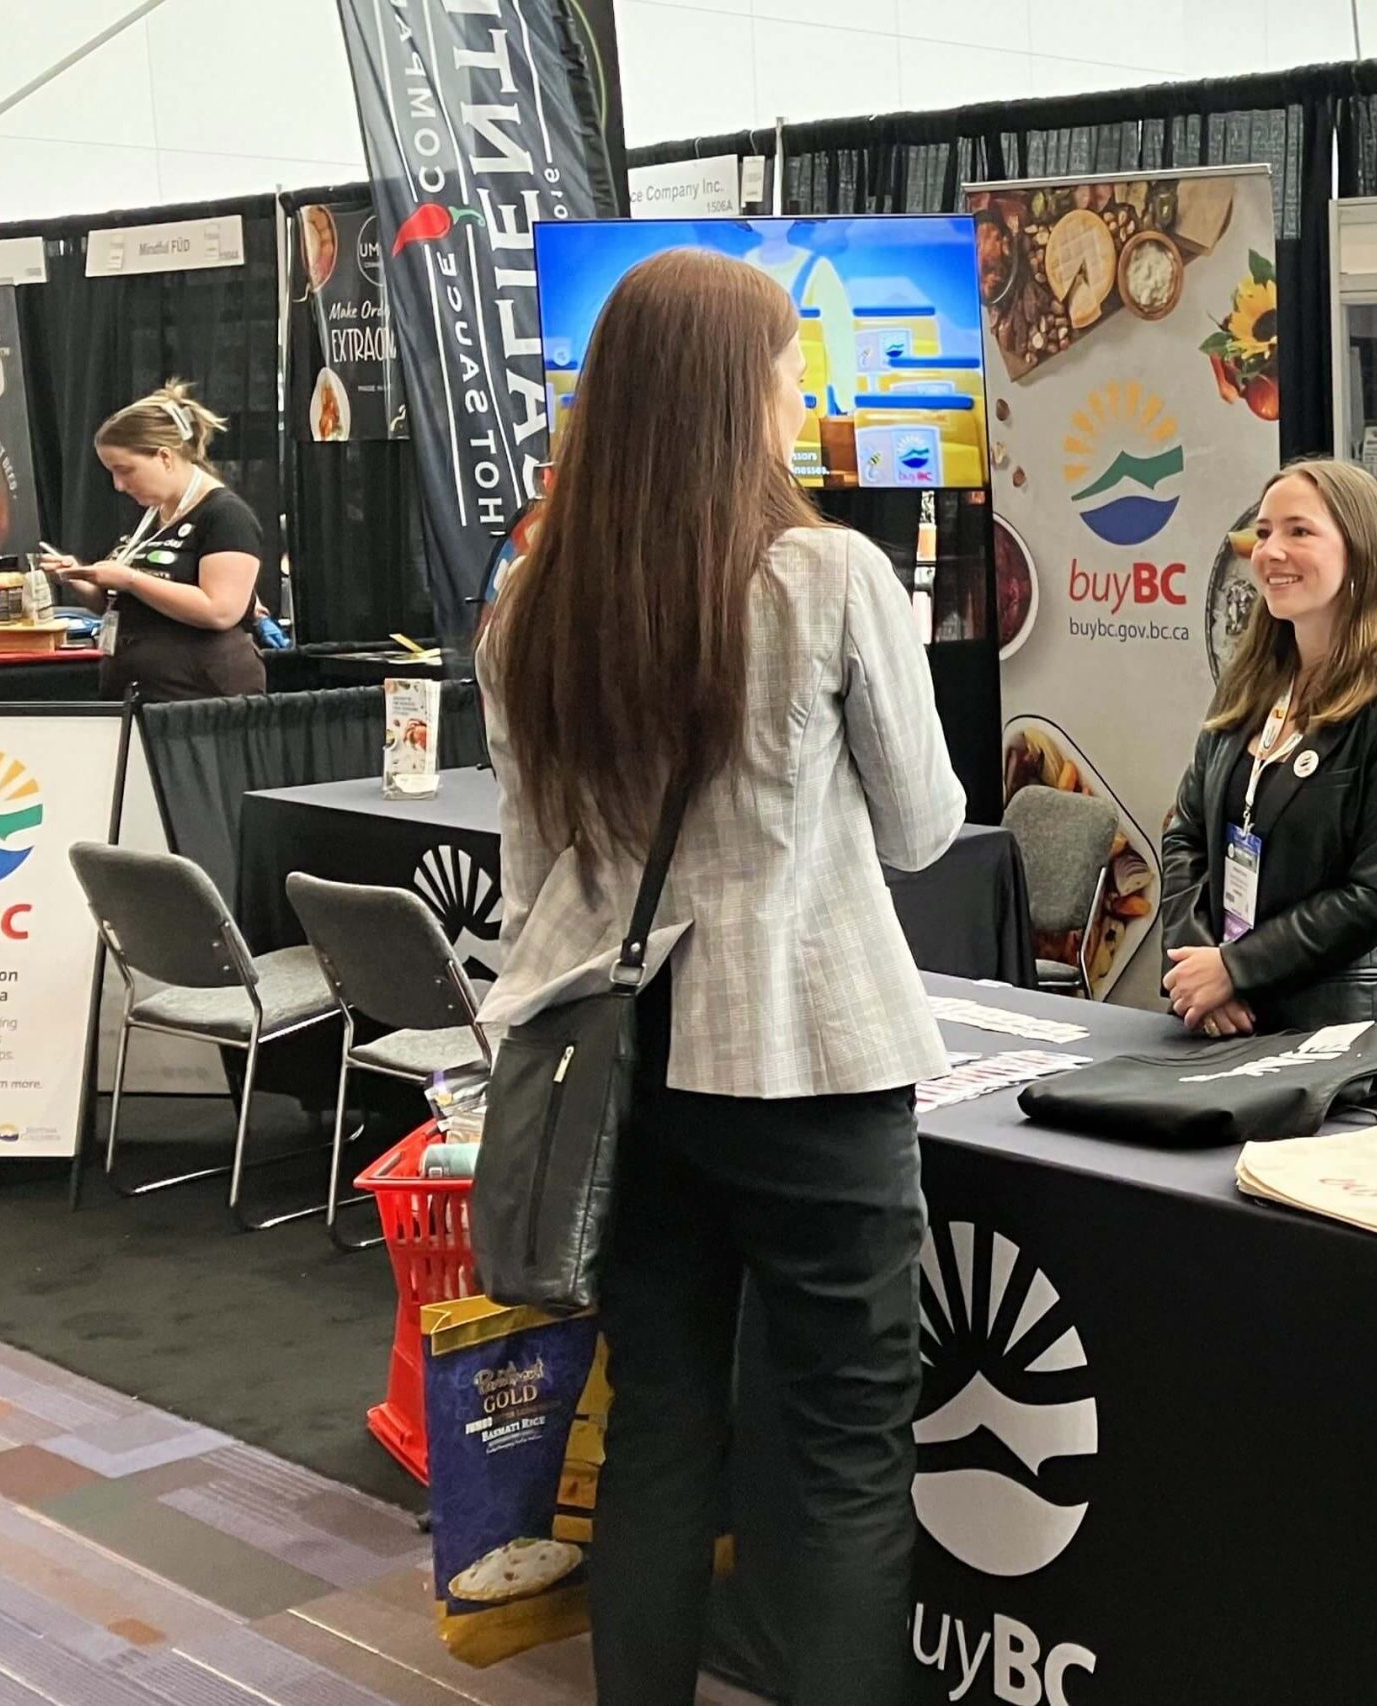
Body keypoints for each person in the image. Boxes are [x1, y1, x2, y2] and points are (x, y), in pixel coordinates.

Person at [477, 249, 962, 1706]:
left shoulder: (528, 608)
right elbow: (932, 822)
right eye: (781, 363)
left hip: (620, 1076)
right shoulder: (825, 575)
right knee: (846, 1446)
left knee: (663, 1430)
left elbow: (531, 869)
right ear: (729, 391)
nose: (794, 389)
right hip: (806, 1061)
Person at [1159, 458, 1377, 1036]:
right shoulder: (1247, 688)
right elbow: (1185, 833)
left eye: (1300, 531)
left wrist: (1236, 969)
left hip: (1335, 1036)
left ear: (1359, 553)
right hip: (1222, 1018)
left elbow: (1373, 895)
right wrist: (1199, 968)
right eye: (1264, 532)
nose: (1271, 551)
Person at [46, 382, 266, 701]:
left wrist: (132, 579)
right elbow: (122, 605)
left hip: (199, 694)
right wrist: (82, 577)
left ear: (164, 457)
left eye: (125, 470)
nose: (119, 485)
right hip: (138, 688)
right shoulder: (154, 516)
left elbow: (220, 610)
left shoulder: (225, 516)